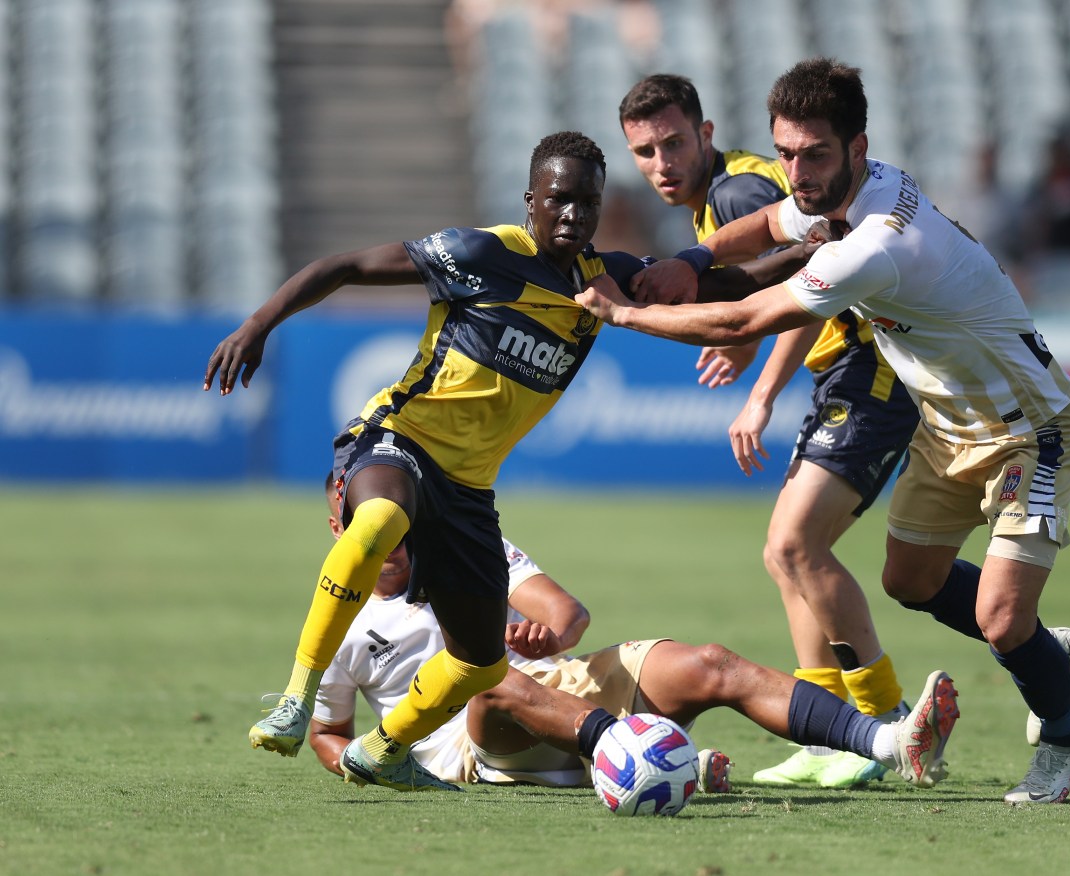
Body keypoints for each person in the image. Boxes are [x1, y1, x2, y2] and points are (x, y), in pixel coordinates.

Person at [204, 130, 861, 792]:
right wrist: (256, 326)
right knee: (375, 523)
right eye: (560, 199)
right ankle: (295, 699)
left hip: (466, 486)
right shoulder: (480, 253)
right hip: (398, 437)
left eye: (588, 203)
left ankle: (383, 747)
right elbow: (345, 267)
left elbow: (722, 282)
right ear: (530, 201)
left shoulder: (600, 283)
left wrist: (808, 254)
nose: (574, 215)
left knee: (480, 662)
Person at [579, 58, 1070, 805]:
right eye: (785, 151)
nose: (795, 170)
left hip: (1030, 430)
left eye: (813, 154)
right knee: (906, 581)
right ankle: (1034, 653)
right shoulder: (849, 187)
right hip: (945, 427)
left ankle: (1061, 736)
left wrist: (625, 314)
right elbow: (766, 225)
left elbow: (744, 319)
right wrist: (693, 257)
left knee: (996, 615)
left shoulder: (877, 241)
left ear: (857, 147)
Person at [618, 73, 922, 789]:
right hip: (842, 377)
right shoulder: (718, 204)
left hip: (866, 366)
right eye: (644, 151)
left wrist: (757, 391)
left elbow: (815, 279)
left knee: (793, 546)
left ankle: (885, 722)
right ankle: (826, 731)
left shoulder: (736, 193)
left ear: (705, 135)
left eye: (672, 143)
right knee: (788, 556)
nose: (662, 163)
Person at [307, 473, 961, 791]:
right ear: (341, 531)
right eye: (372, 528)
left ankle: (886, 740)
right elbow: (326, 731)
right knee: (483, 677)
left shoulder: (472, 551)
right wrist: (368, 764)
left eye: (397, 524)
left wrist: (550, 636)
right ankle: (636, 754)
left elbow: (567, 615)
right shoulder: (337, 623)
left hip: (557, 685)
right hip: (482, 745)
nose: (391, 541)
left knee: (710, 663)